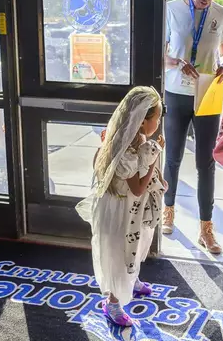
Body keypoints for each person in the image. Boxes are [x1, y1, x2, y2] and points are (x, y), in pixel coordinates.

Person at [76, 86, 166, 326]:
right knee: (120, 253)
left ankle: (132, 278)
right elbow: (137, 187)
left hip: (134, 209)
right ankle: (113, 302)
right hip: (121, 211)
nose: (159, 121)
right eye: (157, 117)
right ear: (142, 121)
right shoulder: (125, 149)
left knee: (135, 245)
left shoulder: (138, 140)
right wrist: (155, 155)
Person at [162, 0, 223, 254]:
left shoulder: (220, 14)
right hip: (176, 93)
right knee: (173, 157)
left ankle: (206, 229)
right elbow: (157, 56)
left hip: (207, 95)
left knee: (206, 163)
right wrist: (177, 62)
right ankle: (168, 212)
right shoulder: (171, 9)